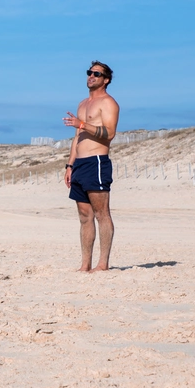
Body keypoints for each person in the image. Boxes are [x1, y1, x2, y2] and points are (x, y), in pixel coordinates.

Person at [62, 61, 119, 272]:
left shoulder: (109, 103)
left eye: (97, 73)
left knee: (101, 213)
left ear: (106, 80)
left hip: (96, 161)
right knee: (84, 216)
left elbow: (110, 133)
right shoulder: (82, 104)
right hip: (80, 164)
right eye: (89, 72)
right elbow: (77, 137)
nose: (91, 76)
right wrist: (70, 165)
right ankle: (85, 264)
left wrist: (82, 124)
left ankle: (102, 264)